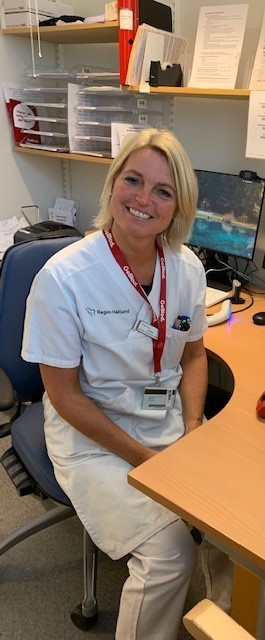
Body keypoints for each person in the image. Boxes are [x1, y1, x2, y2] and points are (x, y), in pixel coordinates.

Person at [21, 128, 210, 639]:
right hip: (92, 434)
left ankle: (224, 625)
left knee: (232, 523)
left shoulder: (188, 269)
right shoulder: (64, 277)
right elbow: (62, 396)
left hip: (168, 417)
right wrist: (150, 464)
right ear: (112, 185)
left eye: (163, 191)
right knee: (171, 553)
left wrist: (193, 427)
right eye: (133, 180)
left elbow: (194, 356)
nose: (144, 199)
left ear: (178, 207)